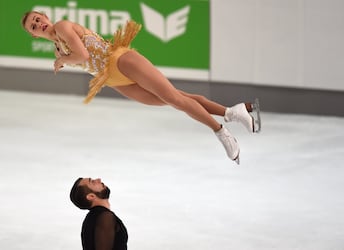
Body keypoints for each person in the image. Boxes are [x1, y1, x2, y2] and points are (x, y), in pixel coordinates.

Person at [21, 11, 261, 164]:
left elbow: (82, 54)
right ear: (33, 35)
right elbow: (80, 59)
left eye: (38, 18)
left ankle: (221, 132)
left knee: (176, 100)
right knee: (176, 98)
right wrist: (62, 57)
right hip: (113, 80)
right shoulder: (57, 49)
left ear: (46, 17)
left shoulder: (62, 26)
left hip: (120, 61)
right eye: (33, 26)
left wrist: (63, 61)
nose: (37, 24)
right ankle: (233, 112)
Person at [70, 177, 128, 250]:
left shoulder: (94, 218)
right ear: (91, 196)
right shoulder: (104, 217)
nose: (99, 179)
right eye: (92, 182)